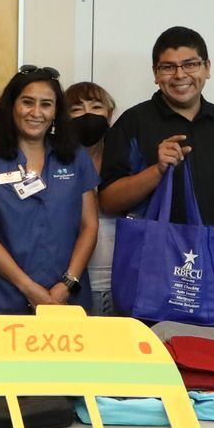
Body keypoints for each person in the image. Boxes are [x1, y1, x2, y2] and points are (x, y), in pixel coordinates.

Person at [99, 27, 214, 320]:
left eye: (190, 64)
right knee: (149, 365)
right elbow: (109, 201)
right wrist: (157, 170)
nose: (180, 75)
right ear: (155, 73)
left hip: (212, 276)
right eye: (168, 67)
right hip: (149, 277)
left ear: (207, 68)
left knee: (208, 362)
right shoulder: (133, 123)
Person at [0, 66, 98, 315]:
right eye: (27, 102)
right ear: (12, 106)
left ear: (56, 111)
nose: (36, 112)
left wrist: (67, 283)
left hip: (66, 300)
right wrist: (28, 288)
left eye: (46, 104)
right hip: (4, 301)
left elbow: (89, 226)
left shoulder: (75, 157)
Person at [64, 81, 118, 316]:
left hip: (122, 285)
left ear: (109, 113)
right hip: (74, 285)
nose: (87, 115)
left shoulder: (123, 159)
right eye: (76, 109)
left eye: (96, 107)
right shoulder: (56, 163)